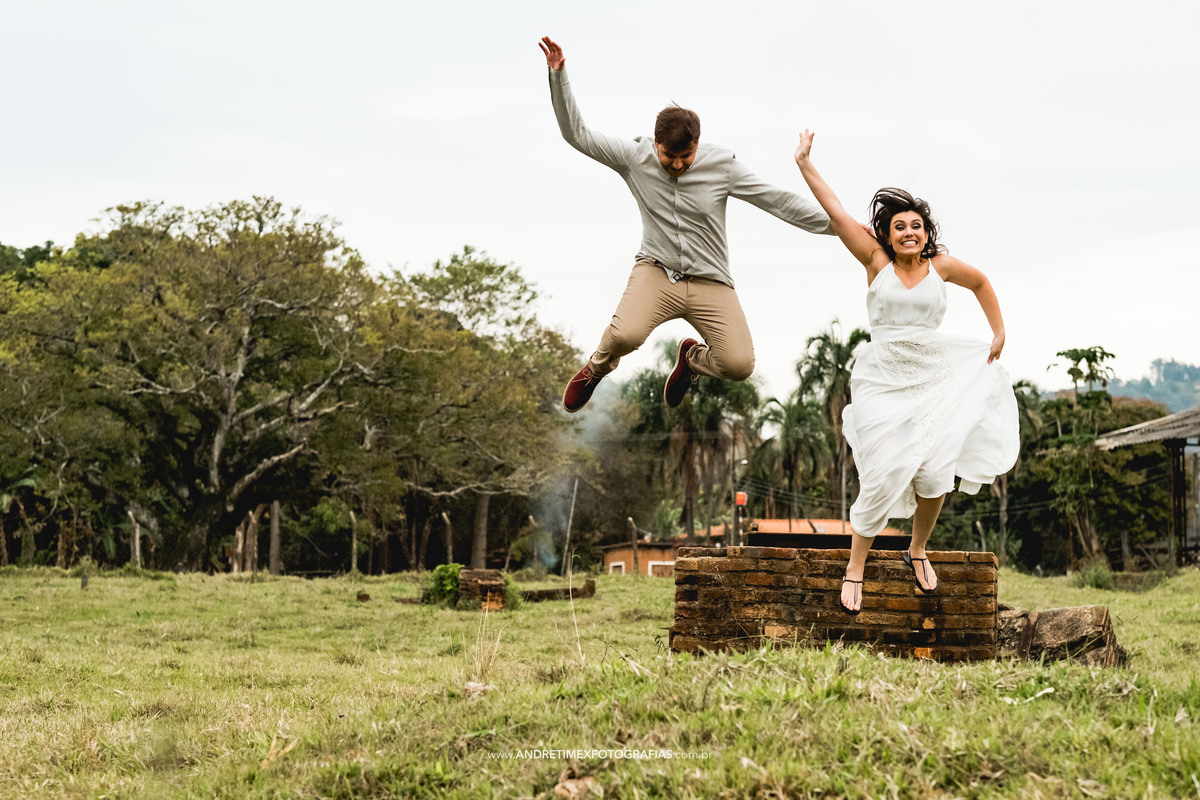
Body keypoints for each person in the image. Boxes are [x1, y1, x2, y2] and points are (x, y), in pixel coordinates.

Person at [539, 36, 834, 412]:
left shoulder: (722, 166)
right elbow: (576, 134)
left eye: (686, 156)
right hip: (657, 272)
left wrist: (841, 227)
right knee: (625, 334)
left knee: (739, 365)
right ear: (654, 144)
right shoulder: (633, 157)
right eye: (668, 156)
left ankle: (692, 361)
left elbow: (777, 201)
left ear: (698, 144)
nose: (677, 164)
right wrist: (559, 75)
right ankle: (596, 370)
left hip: (710, 280)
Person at [793, 130, 1019, 614]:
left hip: (933, 379)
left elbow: (981, 282)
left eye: (917, 225)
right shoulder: (875, 260)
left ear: (926, 232)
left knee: (935, 473)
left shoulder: (942, 267)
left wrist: (997, 332)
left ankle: (917, 548)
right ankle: (856, 565)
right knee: (882, 470)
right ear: (888, 235)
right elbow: (837, 213)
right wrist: (805, 164)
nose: (909, 232)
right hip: (882, 379)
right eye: (900, 227)